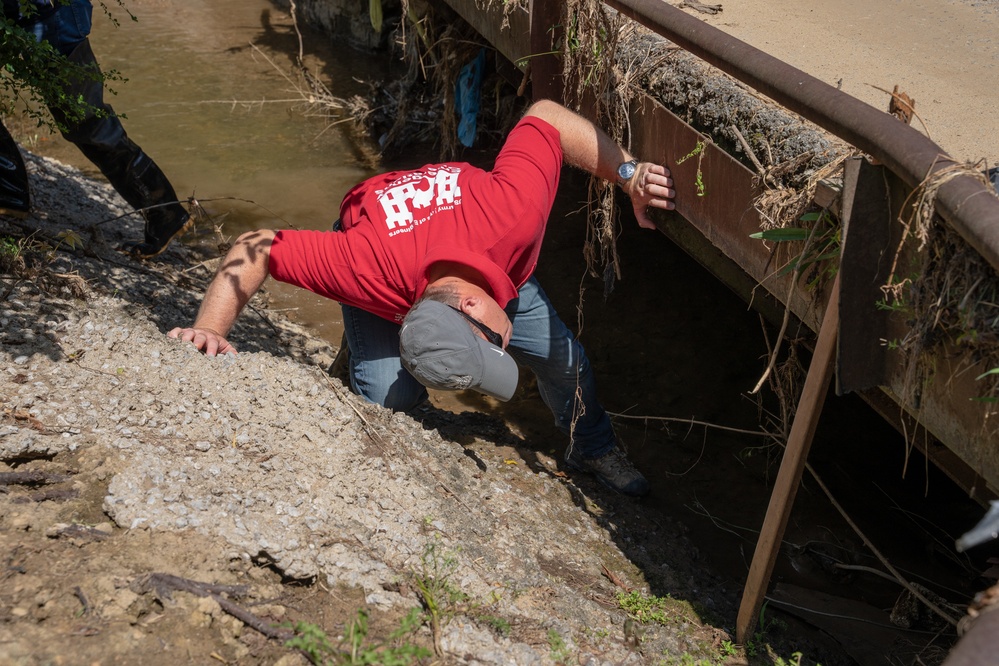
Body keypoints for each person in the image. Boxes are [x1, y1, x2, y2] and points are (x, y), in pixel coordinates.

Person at [168, 99, 676, 496]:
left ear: (477, 305)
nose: (505, 349)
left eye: (497, 345)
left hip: (474, 247)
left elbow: (546, 117)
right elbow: (255, 247)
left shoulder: (513, 212)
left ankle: (592, 446)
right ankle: (365, 345)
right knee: (390, 396)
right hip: (382, 247)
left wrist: (629, 175)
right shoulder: (361, 266)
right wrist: (210, 329)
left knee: (565, 362)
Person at [0, 0, 190, 257]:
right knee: (86, 122)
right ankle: (10, 192)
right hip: (17, 14)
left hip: (52, 14)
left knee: (87, 122)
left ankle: (164, 212)